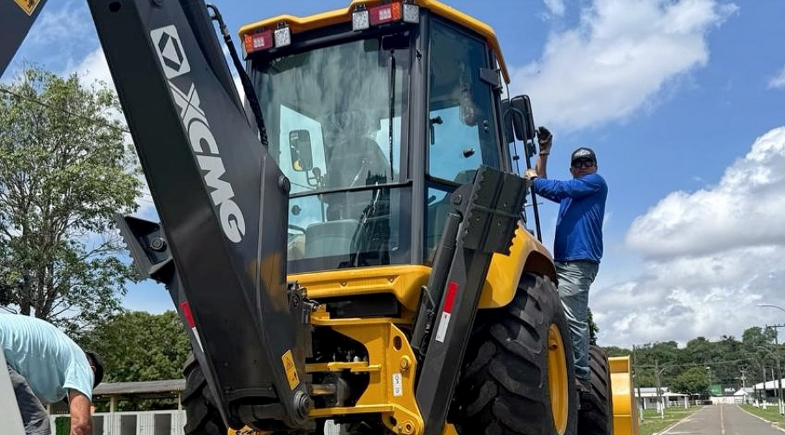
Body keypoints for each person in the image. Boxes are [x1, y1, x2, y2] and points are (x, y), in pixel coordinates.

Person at [523, 127, 608, 391]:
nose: (583, 166)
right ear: (572, 169)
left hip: (578, 262)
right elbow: (548, 186)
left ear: (594, 166)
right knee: (560, 314)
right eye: (577, 163)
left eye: (587, 162)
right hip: (565, 261)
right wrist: (544, 154)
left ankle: (580, 374)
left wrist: (533, 180)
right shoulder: (572, 194)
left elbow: (552, 186)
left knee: (572, 317)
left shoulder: (595, 183)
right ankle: (567, 366)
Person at [0, 314, 104, 435]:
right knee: (37, 425)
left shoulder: (54, 354)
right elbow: (81, 426)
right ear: (92, 369)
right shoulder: (81, 364)